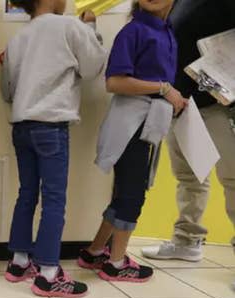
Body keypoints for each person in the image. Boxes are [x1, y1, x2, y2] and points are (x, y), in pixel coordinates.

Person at [1, 0, 106, 298]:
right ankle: (48, 273)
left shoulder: (18, 38)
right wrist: (91, 28)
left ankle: (19, 262)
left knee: (27, 193)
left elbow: (7, 90)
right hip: (51, 125)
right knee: (54, 199)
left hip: (22, 126)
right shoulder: (70, 25)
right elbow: (93, 67)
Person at [79, 0, 187, 282]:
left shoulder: (166, 31)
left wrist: (172, 95)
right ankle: (115, 263)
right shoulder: (134, 31)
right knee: (132, 195)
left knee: (126, 191)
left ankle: (94, 251)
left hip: (147, 122)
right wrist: (164, 89)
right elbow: (114, 82)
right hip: (131, 124)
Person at [141, 0, 235, 262]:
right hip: (182, 104)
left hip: (218, 105)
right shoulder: (179, 2)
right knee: (189, 176)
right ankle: (187, 239)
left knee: (232, 179)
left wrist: (209, 87)